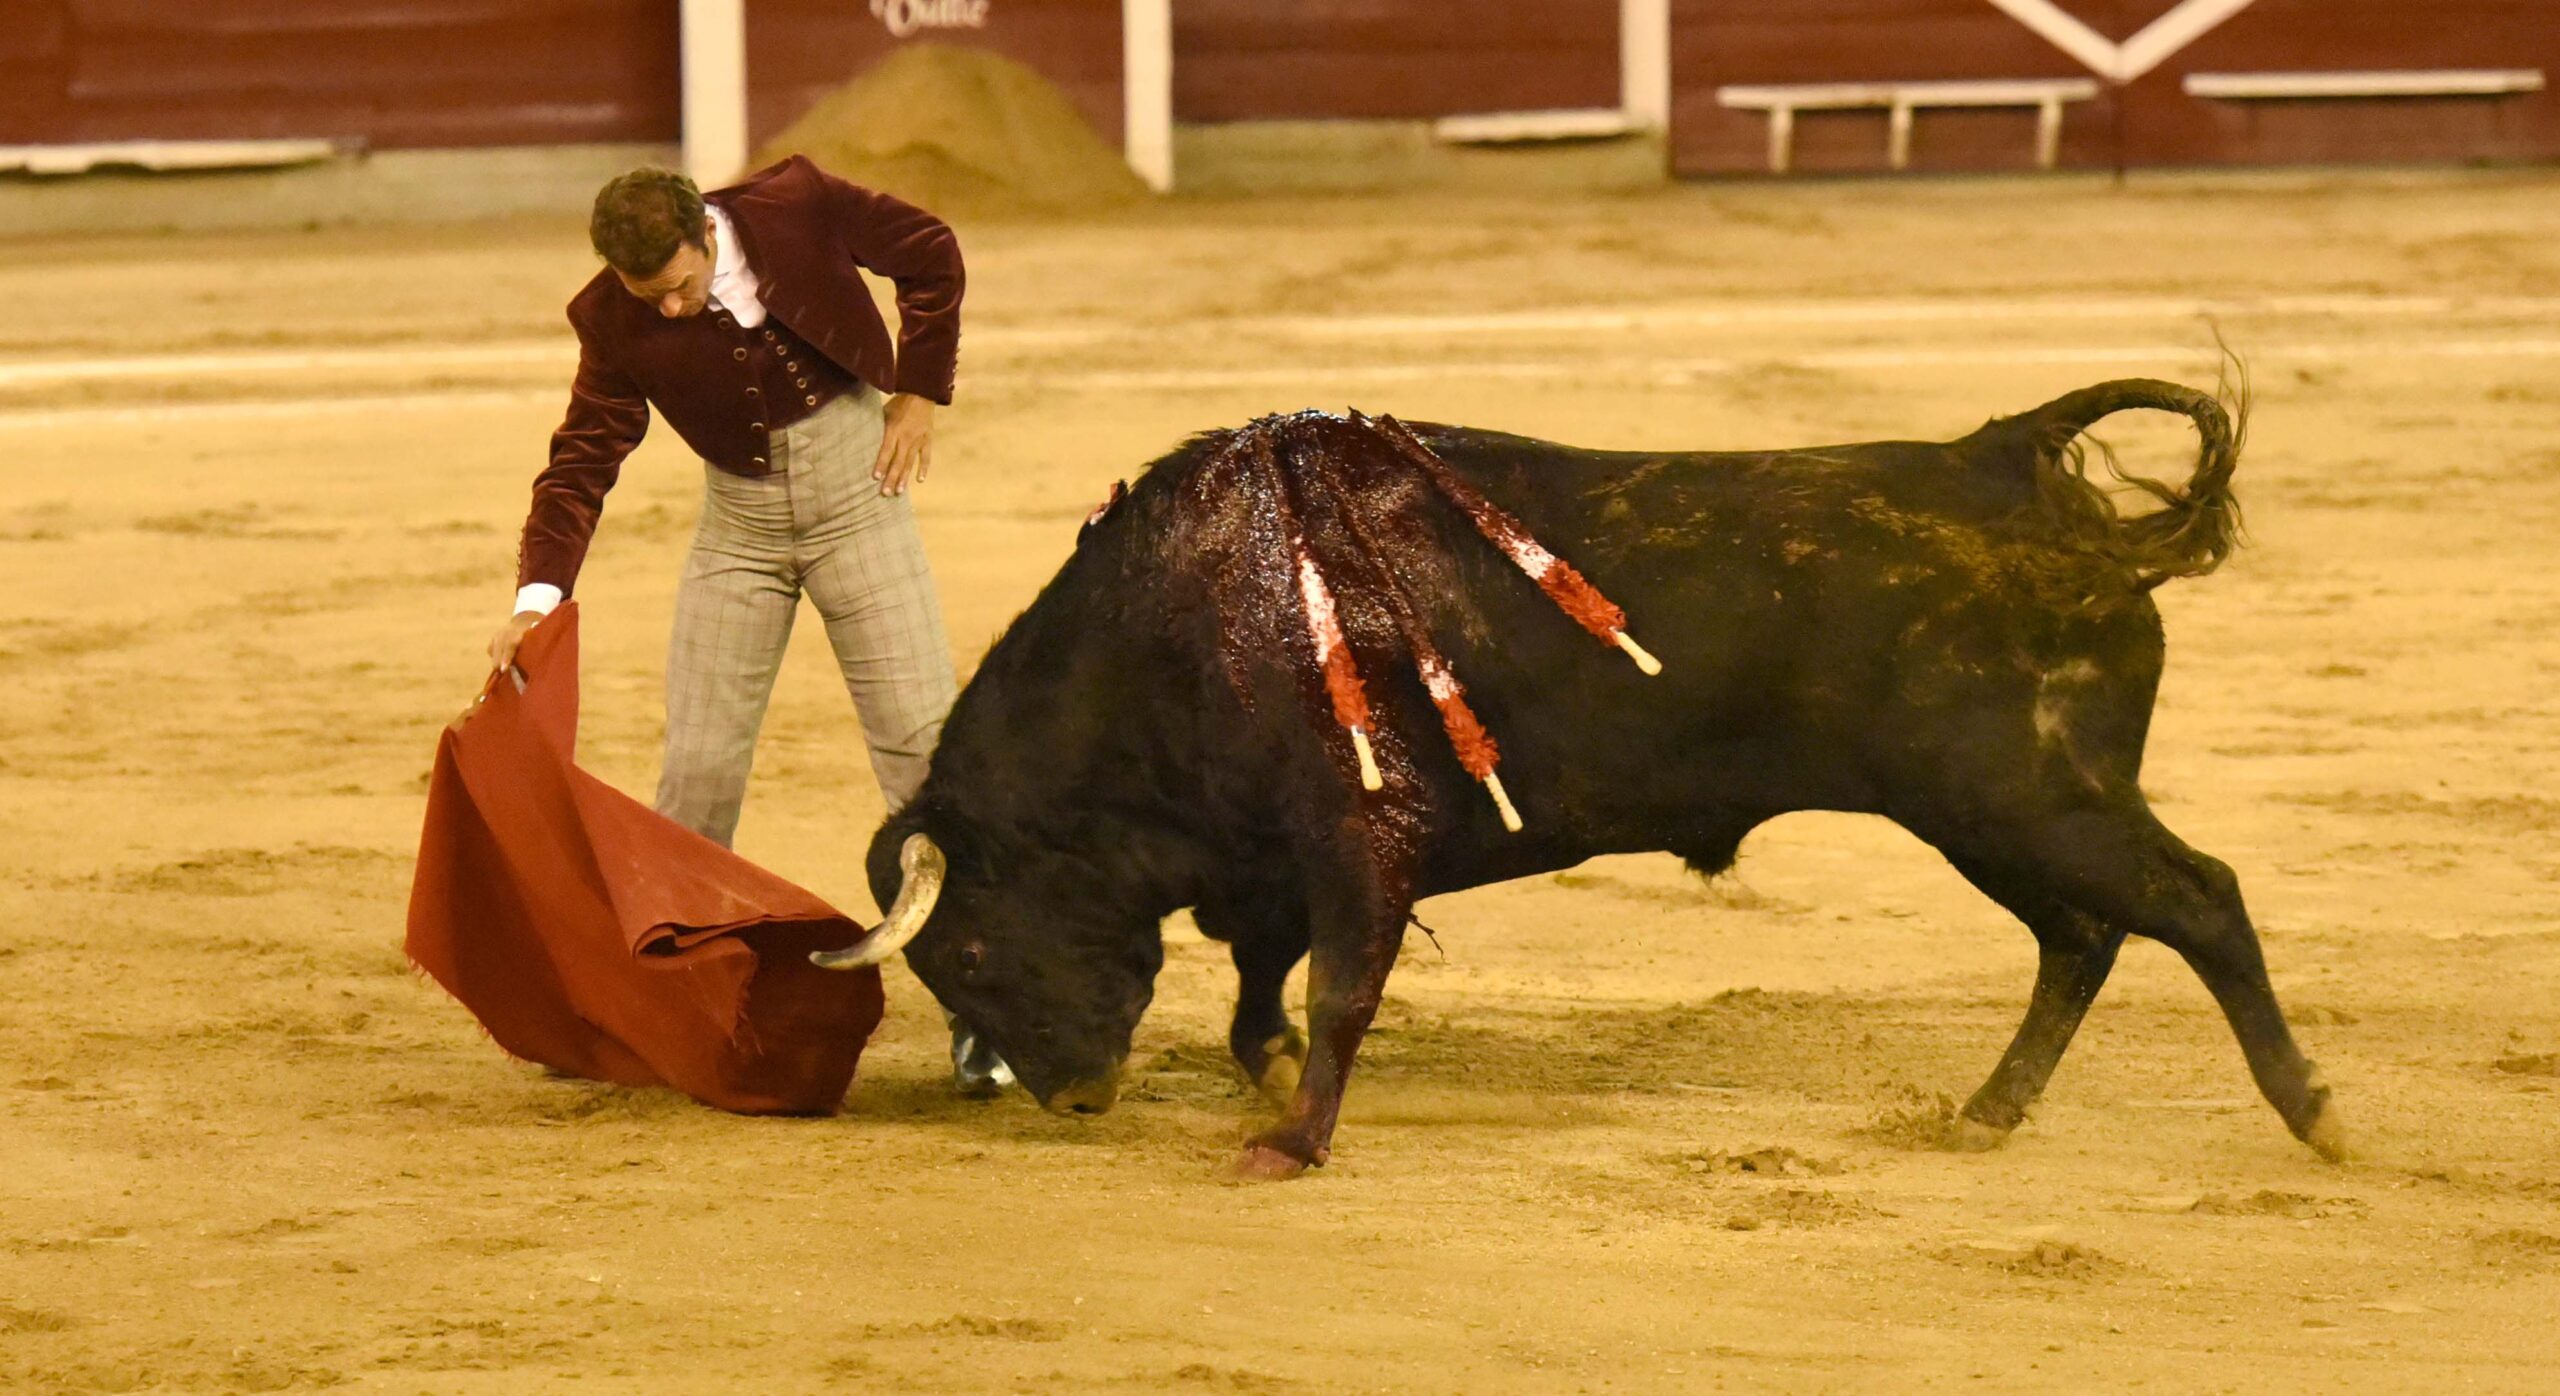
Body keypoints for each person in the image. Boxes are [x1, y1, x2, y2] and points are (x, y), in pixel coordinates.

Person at [485, 157, 1009, 1096]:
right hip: (740, 531)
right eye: (651, 296)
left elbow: (930, 251)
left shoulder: (795, 204)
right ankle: (658, 1008)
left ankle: (991, 1009)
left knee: (926, 761)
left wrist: (921, 387)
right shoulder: (610, 316)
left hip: (862, 499)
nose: (673, 309)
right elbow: (581, 461)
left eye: (682, 285)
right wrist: (537, 599)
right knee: (699, 765)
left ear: (705, 231)